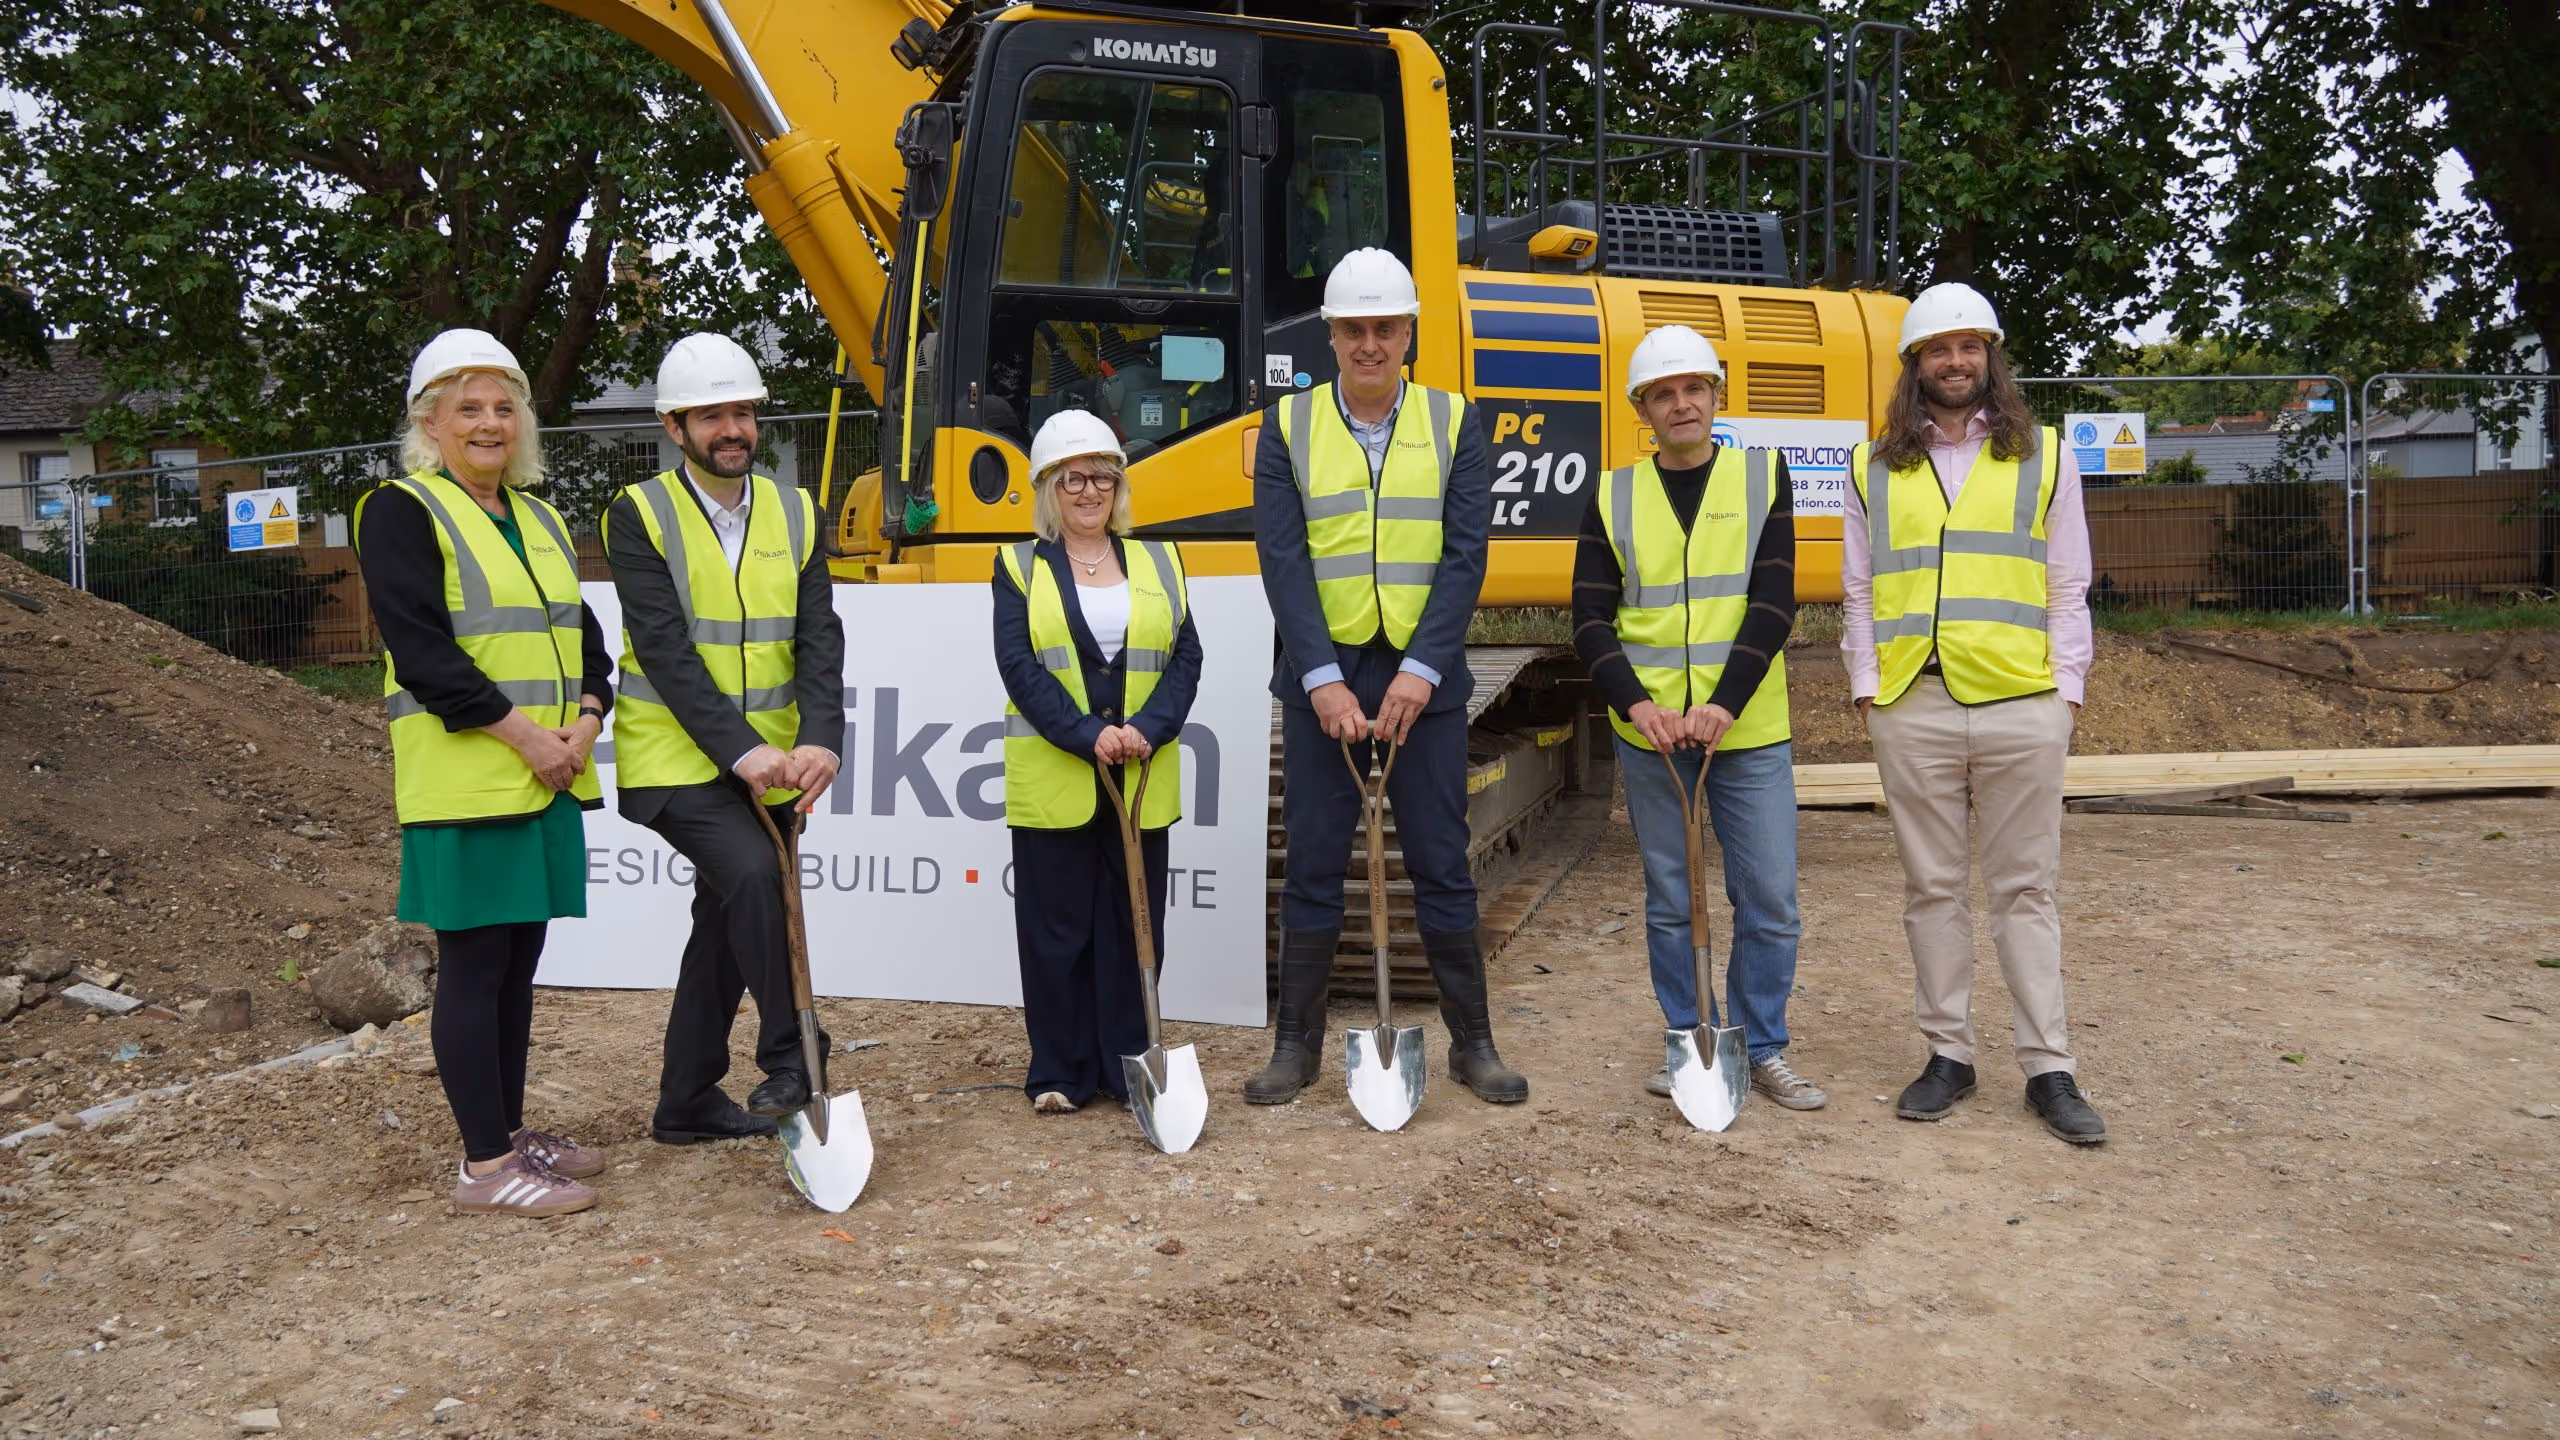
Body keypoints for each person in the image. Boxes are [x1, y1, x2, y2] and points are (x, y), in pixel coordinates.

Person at [1243, 247, 1526, 1106]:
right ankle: (1296, 1047)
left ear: (1409, 335)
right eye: (1354, 329)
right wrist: (1321, 678)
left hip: (1421, 677)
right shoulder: (1287, 427)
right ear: (1331, 336)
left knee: (1440, 861)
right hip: (1323, 676)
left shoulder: (1454, 421)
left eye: (1385, 328)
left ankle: (1473, 1044)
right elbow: (1284, 560)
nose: (1370, 344)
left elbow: (1465, 554)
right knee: (1313, 866)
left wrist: (1421, 672)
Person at [355, 328, 612, 1217]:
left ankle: (507, 1133)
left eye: (504, 406)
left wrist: (585, 721)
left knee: (516, 963)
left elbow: (586, 641)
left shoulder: (539, 518)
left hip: (545, 776)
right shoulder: (401, 510)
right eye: (468, 407)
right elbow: (424, 654)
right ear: (430, 422)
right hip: (469, 781)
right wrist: (528, 738)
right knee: (474, 966)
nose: (490, 422)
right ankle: (485, 1168)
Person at [1843, 283, 2105, 1145]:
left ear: (1990, 357)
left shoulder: (2047, 455)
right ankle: (1948, 1055)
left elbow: (2069, 582)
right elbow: (1859, 589)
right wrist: (1867, 686)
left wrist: (2066, 693)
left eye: (1969, 347)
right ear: (1914, 363)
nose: (1954, 362)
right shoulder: (1872, 465)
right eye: (1938, 348)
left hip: (2023, 702)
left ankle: (2049, 1068)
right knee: (1931, 889)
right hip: (1910, 702)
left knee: (2026, 889)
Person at [1574, 326, 1825, 1111]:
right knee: (1672, 900)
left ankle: (1760, 1046)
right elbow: (1589, 619)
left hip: (1744, 731)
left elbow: (1775, 600)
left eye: (1694, 389)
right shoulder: (1614, 494)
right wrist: (1637, 705)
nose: (1681, 404)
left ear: (1716, 397)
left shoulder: (1760, 477)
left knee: (1769, 897)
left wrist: (1724, 703)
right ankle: (1690, 1041)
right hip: (1650, 734)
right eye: (1664, 394)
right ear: (1642, 410)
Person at [605, 333, 847, 1144]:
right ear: (674, 427)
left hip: (775, 764)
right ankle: (795, 1056)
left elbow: (819, 637)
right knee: (753, 874)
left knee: (724, 922)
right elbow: (665, 650)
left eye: (741, 412)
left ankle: (685, 1100)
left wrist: (821, 738)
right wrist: (743, 752)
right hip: (673, 758)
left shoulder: (797, 511)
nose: (732, 429)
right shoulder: (639, 514)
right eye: (711, 416)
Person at [992, 410, 1204, 1113]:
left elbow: (1186, 657)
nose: (1089, 491)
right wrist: (1088, 735)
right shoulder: (1017, 568)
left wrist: (1148, 728)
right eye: (1072, 479)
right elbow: (1020, 667)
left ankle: (1128, 1064)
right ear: (1048, 490)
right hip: (1057, 778)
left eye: (1102, 478)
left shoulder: (1161, 561)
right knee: (1056, 931)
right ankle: (1060, 1070)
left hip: (1142, 772)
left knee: (1133, 923)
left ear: (1119, 486)